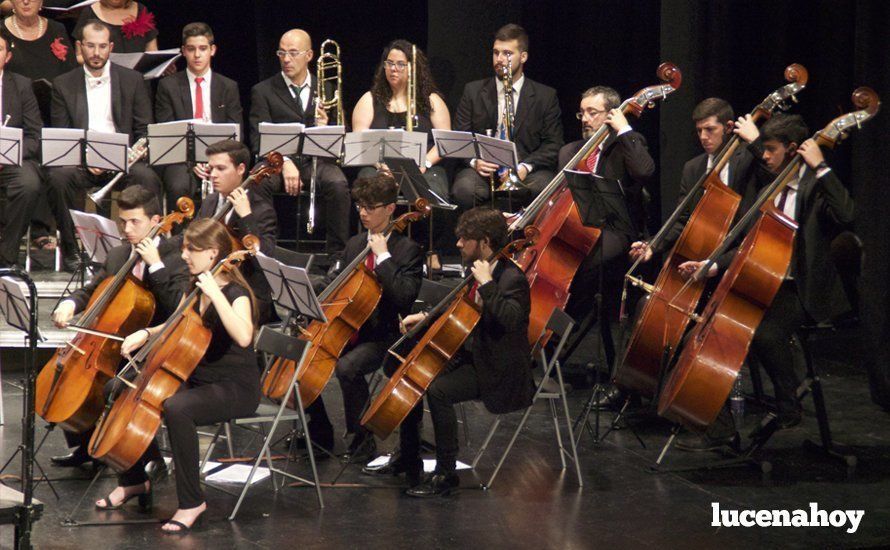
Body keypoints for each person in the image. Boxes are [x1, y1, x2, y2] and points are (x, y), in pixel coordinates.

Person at [676, 113, 855, 451]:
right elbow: (750, 245)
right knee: (708, 327)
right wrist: (711, 266)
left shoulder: (815, 187)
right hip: (765, 280)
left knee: (764, 332)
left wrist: (822, 167)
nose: (764, 157)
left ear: (792, 150)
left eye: (770, 150)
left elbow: (848, 216)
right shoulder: (769, 188)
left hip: (801, 288)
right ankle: (719, 427)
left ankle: (789, 405)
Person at [109, 217, 260, 533]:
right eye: (186, 248)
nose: (186, 255)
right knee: (121, 388)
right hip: (199, 380)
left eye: (193, 249)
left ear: (214, 253)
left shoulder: (236, 293)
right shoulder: (194, 287)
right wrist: (146, 333)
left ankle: (192, 502)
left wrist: (216, 294)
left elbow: (245, 336)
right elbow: (175, 324)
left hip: (235, 388)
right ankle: (136, 479)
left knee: (178, 409)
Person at [393, 207, 534, 496]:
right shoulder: (480, 267)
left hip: (498, 369)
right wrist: (423, 318)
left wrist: (488, 283)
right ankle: (408, 456)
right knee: (413, 372)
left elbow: (510, 319)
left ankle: (446, 474)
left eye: (464, 239)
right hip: (473, 355)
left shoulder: (511, 278)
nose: (457, 244)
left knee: (438, 390)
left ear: (484, 241)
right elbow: (458, 307)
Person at [49, 185, 190, 468]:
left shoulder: (177, 259)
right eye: (123, 222)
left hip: (155, 345)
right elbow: (93, 289)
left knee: (113, 385)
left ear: (156, 221)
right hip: (115, 340)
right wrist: (70, 304)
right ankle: (84, 446)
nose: (127, 229)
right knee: (70, 371)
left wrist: (155, 266)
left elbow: (179, 309)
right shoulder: (118, 254)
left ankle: (145, 459)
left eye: (134, 222)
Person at [303, 174, 423, 459]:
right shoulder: (356, 243)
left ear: (391, 209)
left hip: (385, 335)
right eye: (360, 206)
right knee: (303, 355)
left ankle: (362, 440)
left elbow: (404, 297)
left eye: (370, 207)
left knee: (347, 368)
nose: (363, 212)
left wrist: (383, 259)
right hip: (349, 327)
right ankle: (320, 431)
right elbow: (337, 279)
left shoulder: (408, 251)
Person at [47, 19, 160, 269]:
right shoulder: (63, 84)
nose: (96, 53)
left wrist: (127, 156)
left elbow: (144, 130)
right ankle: (71, 248)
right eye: (90, 46)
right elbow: (62, 134)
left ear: (110, 47)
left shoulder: (133, 80)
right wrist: (88, 158)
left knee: (148, 177)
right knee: (57, 178)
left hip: (123, 161)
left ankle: (148, 247)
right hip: (81, 162)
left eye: (102, 46)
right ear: (80, 47)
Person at [628, 97, 766, 267]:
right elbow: (683, 220)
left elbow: (772, 175)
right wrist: (653, 245)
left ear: (729, 127)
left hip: (742, 256)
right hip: (703, 257)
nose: (703, 137)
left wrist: (756, 142)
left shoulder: (748, 156)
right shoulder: (693, 168)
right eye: (699, 131)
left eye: (710, 129)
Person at [249, 28, 350, 254]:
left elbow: (341, 138)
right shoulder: (262, 91)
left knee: (339, 184)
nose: (286, 59)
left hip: (317, 161)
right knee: (257, 181)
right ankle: (264, 250)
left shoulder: (327, 88)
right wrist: (283, 162)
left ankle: (338, 257)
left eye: (293, 53)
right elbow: (258, 139)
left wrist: (325, 128)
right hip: (276, 163)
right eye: (281, 53)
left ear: (309, 55)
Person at [452, 23, 563, 210]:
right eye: (496, 53)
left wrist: (525, 167)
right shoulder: (473, 91)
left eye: (507, 54)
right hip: (483, 171)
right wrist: (475, 162)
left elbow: (554, 144)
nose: (500, 59)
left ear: (524, 56)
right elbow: (460, 135)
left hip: (525, 170)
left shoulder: (546, 96)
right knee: (464, 189)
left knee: (544, 187)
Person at [171, 139, 278, 324]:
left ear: (241, 169)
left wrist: (246, 217)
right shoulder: (211, 202)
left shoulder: (261, 210)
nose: (213, 175)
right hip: (212, 284)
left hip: (246, 293)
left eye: (221, 168)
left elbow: (264, 261)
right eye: (211, 169)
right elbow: (190, 240)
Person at [0, 0, 78, 254]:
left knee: (33, 178)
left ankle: (8, 254)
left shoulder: (55, 30)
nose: (26, 0)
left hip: (40, 123)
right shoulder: (3, 30)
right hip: (19, 125)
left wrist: (8, 154)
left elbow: (69, 72)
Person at [155, 22, 243, 208]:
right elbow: (167, 133)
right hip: (182, 160)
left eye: (203, 49)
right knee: (178, 185)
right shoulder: (168, 86)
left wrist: (215, 161)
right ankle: (182, 236)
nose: (197, 55)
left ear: (212, 50)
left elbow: (235, 131)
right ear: (183, 51)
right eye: (191, 49)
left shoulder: (228, 87)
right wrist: (194, 159)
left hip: (220, 157)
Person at [0, 33, 43, 268]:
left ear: (8, 56)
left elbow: (34, 135)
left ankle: (6, 256)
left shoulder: (22, 85)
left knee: (29, 183)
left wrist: (10, 153)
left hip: (13, 160)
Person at [73, 0, 159, 62]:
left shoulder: (141, 9)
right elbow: (79, 56)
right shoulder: (88, 12)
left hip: (137, 79)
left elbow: (152, 51)